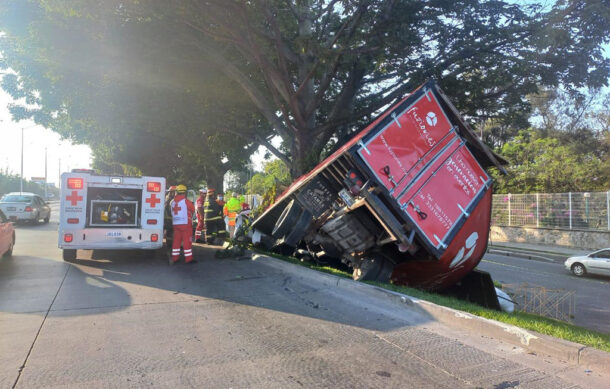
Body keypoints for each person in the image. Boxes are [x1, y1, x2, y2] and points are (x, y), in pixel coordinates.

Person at [169, 184, 196, 264]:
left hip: (176, 224)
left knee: (176, 241)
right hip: (185, 224)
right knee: (187, 241)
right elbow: (193, 209)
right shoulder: (186, 201)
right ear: (185, 193)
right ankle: (188, 259)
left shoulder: (172, 202)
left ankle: (175, 258)